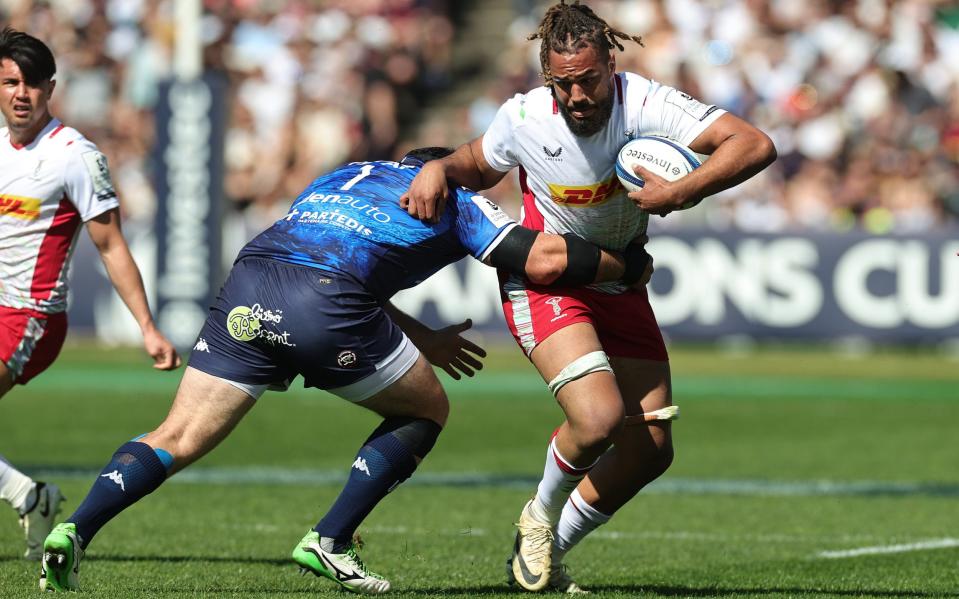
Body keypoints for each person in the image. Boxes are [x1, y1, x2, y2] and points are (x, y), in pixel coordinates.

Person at [39, 147, 654, 594]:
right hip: (326, 300)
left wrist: (422, 338)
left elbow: (333, 256)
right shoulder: (459, 200)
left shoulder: (348, 174)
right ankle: (330, 540)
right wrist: (622, 263)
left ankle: (73, 531)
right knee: (425, 410)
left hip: (253, 277)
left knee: (177, 436)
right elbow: (538, 259)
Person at [402, 1, 777, 592]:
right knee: (599, 418)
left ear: (611, 64)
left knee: (651, 449)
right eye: (563, 84)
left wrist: (684, 190)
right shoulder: (523, 116)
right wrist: (438, 169)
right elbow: (475, 163)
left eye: (589, 81)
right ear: (548, 77)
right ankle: (538, 519)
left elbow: (753, 143)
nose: (577, 97)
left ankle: (547, 545)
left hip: (621, 283)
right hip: (547, 283)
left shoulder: (646, 103)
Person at [0, 27, 180, 562]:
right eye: (10, 81)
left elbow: (111, 245)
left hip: (29, 318)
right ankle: (29, 496)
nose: (20, 93)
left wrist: (147, 327)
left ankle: (25, 495)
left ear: (51, 88)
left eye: (32, 83)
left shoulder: (73, 155)